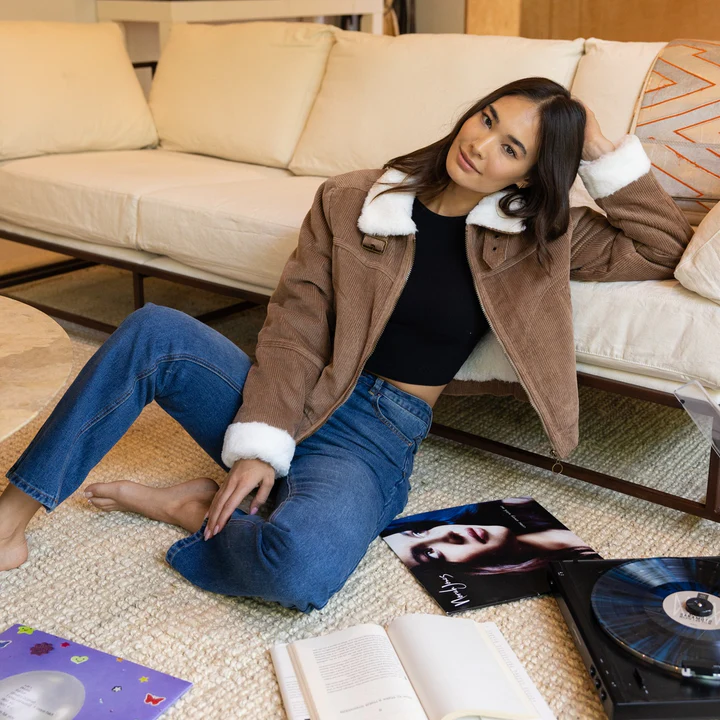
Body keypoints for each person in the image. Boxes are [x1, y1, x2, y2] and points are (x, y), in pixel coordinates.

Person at [0, 77, 692, 612]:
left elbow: (660, 245)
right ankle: (11, 518)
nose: (481, 145)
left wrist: (600, 149)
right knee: (154, 330)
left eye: (513, 147)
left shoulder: (539, 236)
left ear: (528, 175)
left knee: (299, 572)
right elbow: (298, 323)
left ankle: (192, 506)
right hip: (293, 393)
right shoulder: (352, 199)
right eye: (488, 119)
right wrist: (263, 433)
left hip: (378, 434)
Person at [381, 497, 599, 576]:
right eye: (430, 553)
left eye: (419, 532)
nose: (448, 534)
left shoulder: (518, 505)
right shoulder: (578, 573)